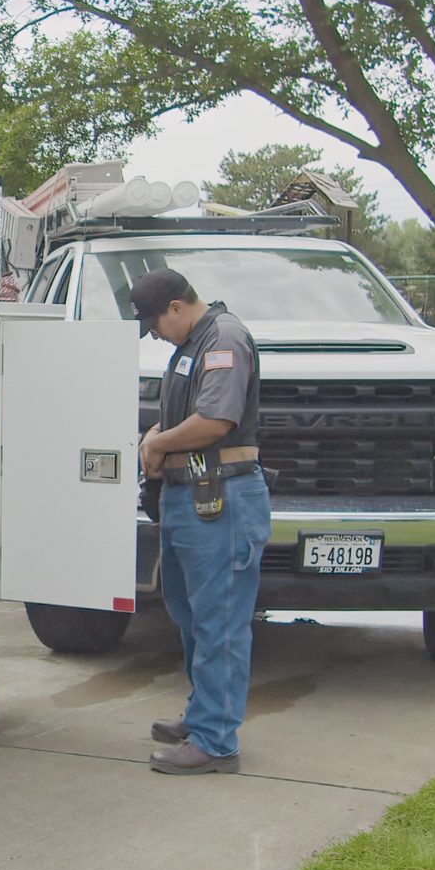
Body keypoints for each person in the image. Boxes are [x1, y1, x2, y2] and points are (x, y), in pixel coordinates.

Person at [129, 269, 270, 775]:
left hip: (222, 502)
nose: (156, 333)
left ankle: (216, 743)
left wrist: (157, 443)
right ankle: (203, 715)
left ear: (175, 307)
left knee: (220, 623)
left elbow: (216, 421)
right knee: (191, 617)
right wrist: (157, 437)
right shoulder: (191, 345)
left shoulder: (223, 339)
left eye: (155, 323)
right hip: (191, 500)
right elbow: (185, 414)